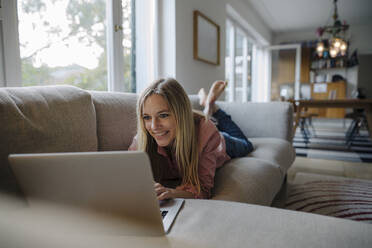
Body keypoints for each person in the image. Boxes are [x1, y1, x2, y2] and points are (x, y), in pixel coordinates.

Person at [128, 78, 253, 200]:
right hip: (195, 127)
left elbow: (203, 190)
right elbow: (126, 175)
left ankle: (213, 108)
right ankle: (207, 107)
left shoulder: (207, 135)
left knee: (246, 145)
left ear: (181, 115)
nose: (154, 126)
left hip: (221, 142)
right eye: (147, 117)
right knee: (205, 121)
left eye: (163, 115)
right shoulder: (142, 140)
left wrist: (171, 192)